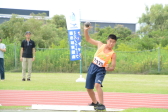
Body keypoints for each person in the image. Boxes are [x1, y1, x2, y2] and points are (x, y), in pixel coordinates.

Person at [84, 25, 117, 110]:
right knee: (88, 88)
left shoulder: (112, 54)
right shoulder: (100, 45)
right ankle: (95, 103)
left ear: (115, 43)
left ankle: (101, 104)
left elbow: (113, 67)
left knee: (97, 85)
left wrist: (108, 68)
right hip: (93, 66)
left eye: (113, 42)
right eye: (110, 41)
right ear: (107, 40)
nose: (111, 43)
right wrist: (85, 31)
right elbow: (88, 39)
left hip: (101, 70)